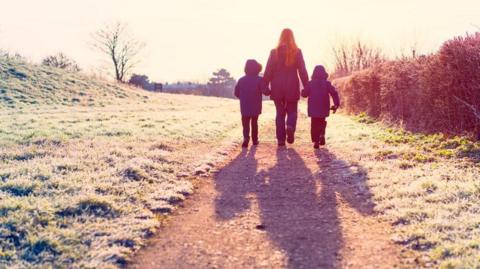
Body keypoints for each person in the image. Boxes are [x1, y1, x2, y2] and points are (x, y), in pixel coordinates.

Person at [262, 28, 309, 146]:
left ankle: (281, 140)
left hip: (277, 86)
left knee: (280, 113)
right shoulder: (297, 52)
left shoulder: (274, 52)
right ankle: (290, 126)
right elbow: (302, 71)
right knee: (292, 110)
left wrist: (265, 86)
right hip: (292, 86)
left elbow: (268, 71)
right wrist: (307, 87)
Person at [302, 65, 340, 149]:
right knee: (322, 121)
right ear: (324, 73)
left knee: (314, 123)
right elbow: (334, 93)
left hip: (313, 107)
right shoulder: (327, 84)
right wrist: (336, 104)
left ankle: (316, 141)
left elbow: (304, 94)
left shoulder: (310, 83)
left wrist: (303, 91)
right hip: (324, 106)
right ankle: (322, 134)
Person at [234, 59, 265, 148]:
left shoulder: (241, 80)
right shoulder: (260, 79)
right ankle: (255, 140)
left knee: (245, 122)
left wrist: (243, 98)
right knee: (254, 122)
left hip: (244, 105)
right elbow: (264, 91)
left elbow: (236, 93)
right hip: (256, 105)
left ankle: (246, 138)